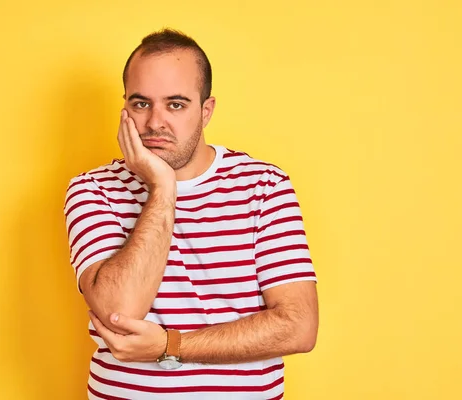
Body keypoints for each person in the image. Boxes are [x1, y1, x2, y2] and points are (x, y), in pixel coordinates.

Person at [63, 28, 319, 400]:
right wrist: (163, 187)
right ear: (124, 108)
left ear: (206, 109)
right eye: (140, 104)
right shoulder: (92, 189)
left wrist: (172, 344)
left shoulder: (265, 185)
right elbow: (121, 310)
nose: (154, 123)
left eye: (176, 104)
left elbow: (298, 327)